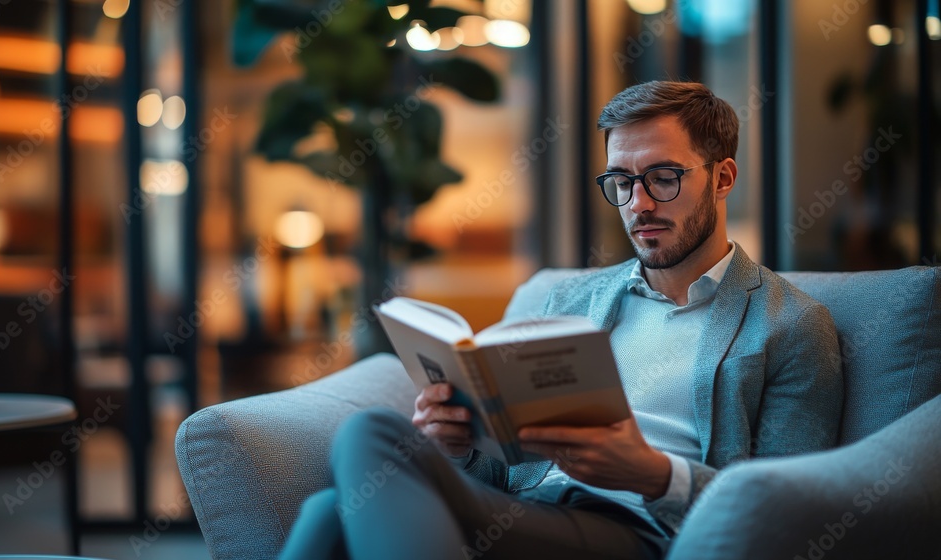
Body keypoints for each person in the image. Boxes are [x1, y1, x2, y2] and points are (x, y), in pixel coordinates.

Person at [279, 80, 844, 560]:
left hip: (641, 533)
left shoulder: (791, 326)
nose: (638, 204)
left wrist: (650, 472)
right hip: (530, 515)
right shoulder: (572, 299)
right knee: (334, 504)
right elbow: (509, 471)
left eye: (663, 178)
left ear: (722, 178)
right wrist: (460, 445)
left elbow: (786, 513)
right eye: (621, 181)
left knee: (368, 433)